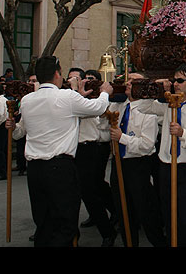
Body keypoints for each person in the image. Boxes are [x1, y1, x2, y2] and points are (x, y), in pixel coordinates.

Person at [8, 55, 113, 247]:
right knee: (65, 224)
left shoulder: (28, 100)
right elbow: (97, 108)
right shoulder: (66, 96)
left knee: (44, 222)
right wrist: (105, 92)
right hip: (59, 167)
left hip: (35, 169)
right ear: (58, 74)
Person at [138, 64, 186, 247]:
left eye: (180, 81)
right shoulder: (168, 104)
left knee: (185, 215)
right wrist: (155, 88)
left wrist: (183, 134)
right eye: (174, 81)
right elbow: (142, 106)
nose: (176, 84)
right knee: (168, 212)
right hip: (166, 165)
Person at [109, 71, 167, 247]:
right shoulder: (119, 106)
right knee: (123, 209)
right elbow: (100, 124)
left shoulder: (148, 110)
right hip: (118, 162)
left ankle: (158, 242)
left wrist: (123, 138)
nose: (128, 83)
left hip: (138, 165)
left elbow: (147, 145)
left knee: (145, 210)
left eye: (134, 81)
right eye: (128, 80)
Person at [72, 68, 118, 247]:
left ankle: (107, 230)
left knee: (90, 190)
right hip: (72, 150)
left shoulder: (92, 101)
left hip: (91, 148)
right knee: (79, 192)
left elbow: (97, 112)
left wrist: (90, 95)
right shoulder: (69, 99)